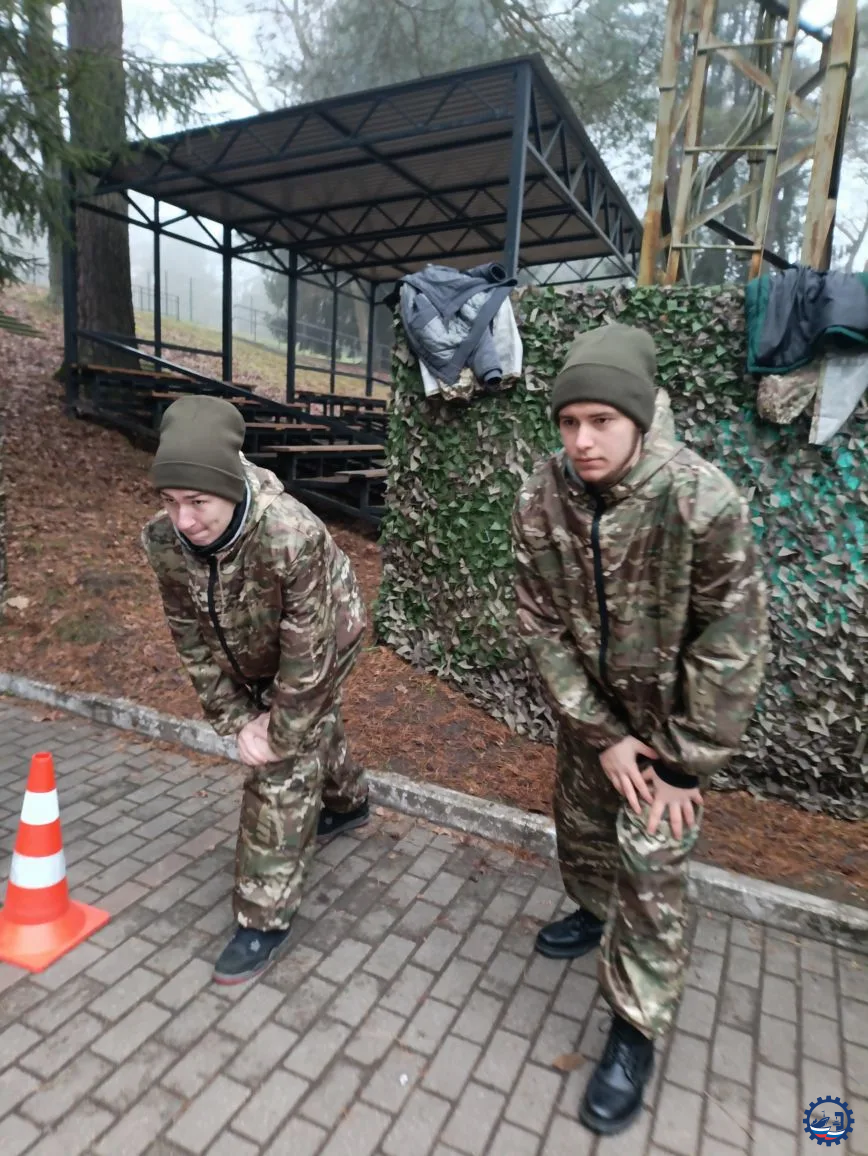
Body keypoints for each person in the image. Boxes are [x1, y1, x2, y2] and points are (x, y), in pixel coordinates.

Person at [511, 323, 768, 1136]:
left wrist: (685, 764)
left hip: (670, 739)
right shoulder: (541, 495)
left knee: (652, 881)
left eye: (602, 422)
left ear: (639, 418)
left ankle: (634, 1028)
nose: (582, 441)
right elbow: (539, 623)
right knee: (584, 834)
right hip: (592, 723)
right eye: (568, 422)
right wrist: (597, 731)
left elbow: (731, 643)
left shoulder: (703, 501)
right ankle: (593, 911)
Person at [142, 395, 369, 985]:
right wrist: (238, 716)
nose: (183, 520)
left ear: (230, 489)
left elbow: (308, 657)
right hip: (255, 643)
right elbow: (189, 636)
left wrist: (274, 730)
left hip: (330, 633)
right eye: (170, 501)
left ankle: (262, 915)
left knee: (283, 762)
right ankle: (349, 802)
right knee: (309, 727)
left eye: (198, 502)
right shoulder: (163, 541)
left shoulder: (292, 535)